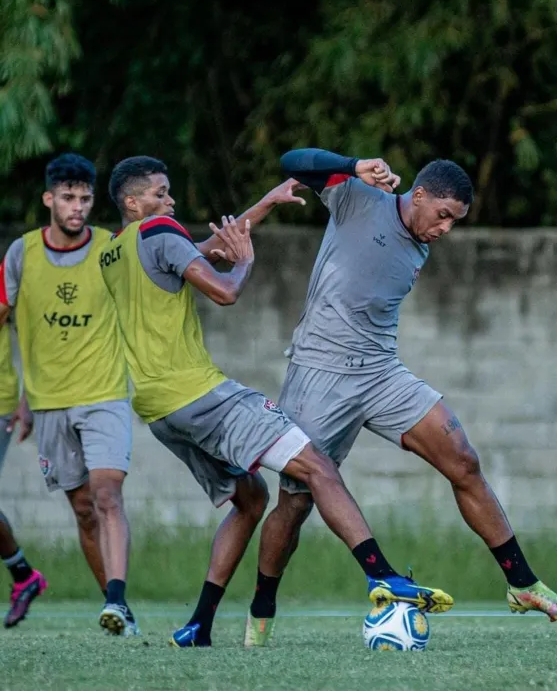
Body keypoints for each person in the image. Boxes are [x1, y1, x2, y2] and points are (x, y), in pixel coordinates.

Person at [100, 155, 452, 649]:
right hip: (201, 395)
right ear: (133, 202)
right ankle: (383, 577)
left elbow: (203, 249)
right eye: (160, 193)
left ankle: (199, 624)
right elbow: (224, 288)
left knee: (251, 500)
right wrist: (245, 263)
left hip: (160, 411)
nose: (170, 201)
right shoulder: (159, 229)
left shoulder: (117, 250)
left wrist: (264, 205)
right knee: (318, 467)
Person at [240, 148, 557, 647]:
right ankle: (260, 616)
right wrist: (355, 164)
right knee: (295, 505)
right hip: (319, 372)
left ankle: (522, 584)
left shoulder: (420, 242)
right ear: (418, 195)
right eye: (443, 215)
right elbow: (293, 159)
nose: (446, 229)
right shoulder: (359, 198)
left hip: (381, 372)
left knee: (463, 460)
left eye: (455, 222)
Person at [0, 153, 139, 636]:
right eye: (68, 198)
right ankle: (117, 608)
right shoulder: (21, 254)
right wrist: (19, 397)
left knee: (107, 494)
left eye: (84, 198)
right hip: (48, 403)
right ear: (49, 200)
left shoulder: (109, 247)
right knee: (83, 510)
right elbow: (8, 321)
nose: (77, 207)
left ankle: (118, 602)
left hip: (104, 393)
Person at [0, 322, 46, 628]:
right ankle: (23, 574)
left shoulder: (7, 274)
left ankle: (23, 574)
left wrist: (28, 398)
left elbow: (38, 326)